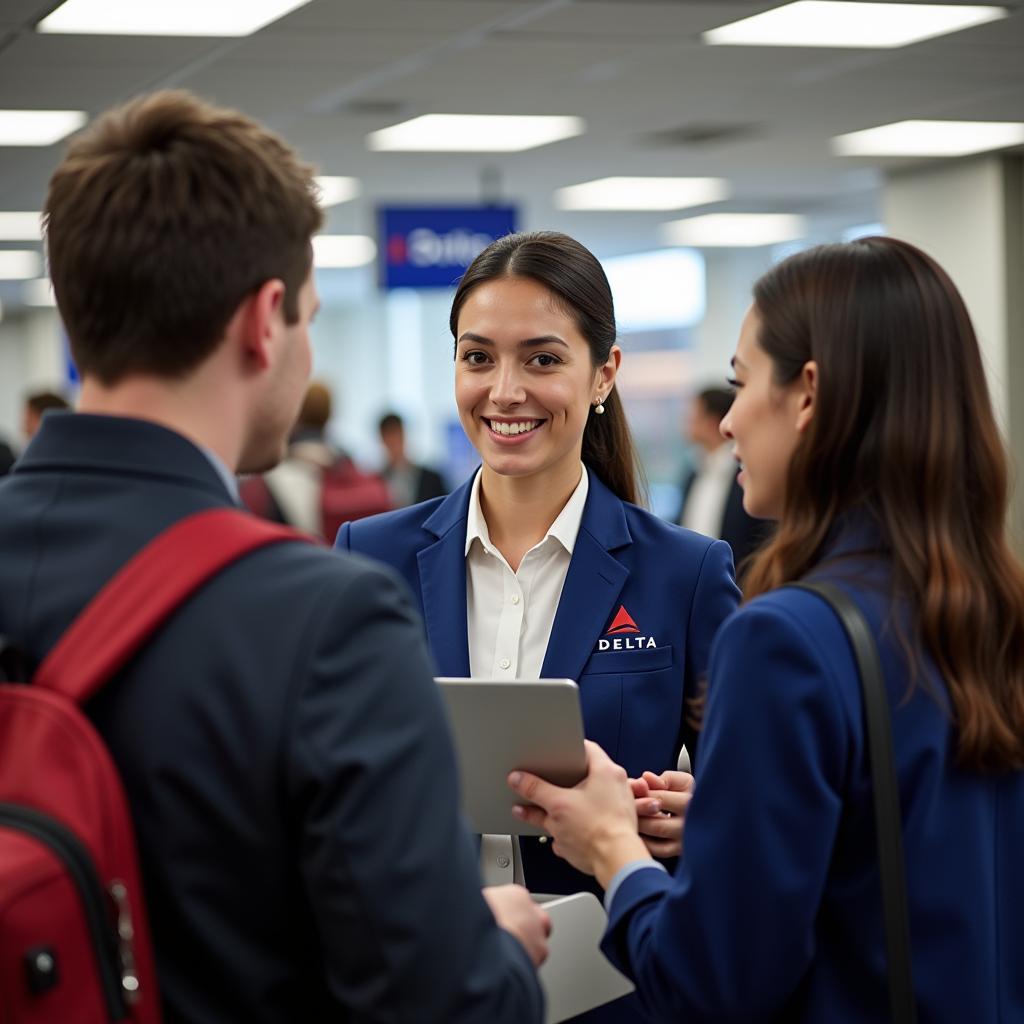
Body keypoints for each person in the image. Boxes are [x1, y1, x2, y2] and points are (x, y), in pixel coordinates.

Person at [0, 90, 546, 1023]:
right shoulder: (321, 621)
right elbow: (439, 1005)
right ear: (264, 321)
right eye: (310, 317)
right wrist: (498, 946)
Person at [508, 236, 1024, 1023]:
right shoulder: (991, 612)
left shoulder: (787, 639)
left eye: (741, 383)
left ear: (808, 394)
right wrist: (729, 808)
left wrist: (614, 848)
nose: (729, 423)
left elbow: (709, 983)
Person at [337, 230, 739, 1022]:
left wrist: (706, 811)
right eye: (478, 357)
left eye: (543, 359)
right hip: (421, 983)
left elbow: (742, 797)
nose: (504, 391)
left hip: (610, 989)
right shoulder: (370, 556)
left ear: (604, 374)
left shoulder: (685, 573)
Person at [677, 385, 769, 571]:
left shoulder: (746, 474)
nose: (686, 421)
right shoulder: (693, 473)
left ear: (711, 421)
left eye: (693, 415)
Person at [378, 410, 448, 506]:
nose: (394, 442)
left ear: (404, 435)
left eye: (397, 435)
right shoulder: (376, 482)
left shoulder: (432, 479)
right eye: (389, 437)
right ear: (383, 440)